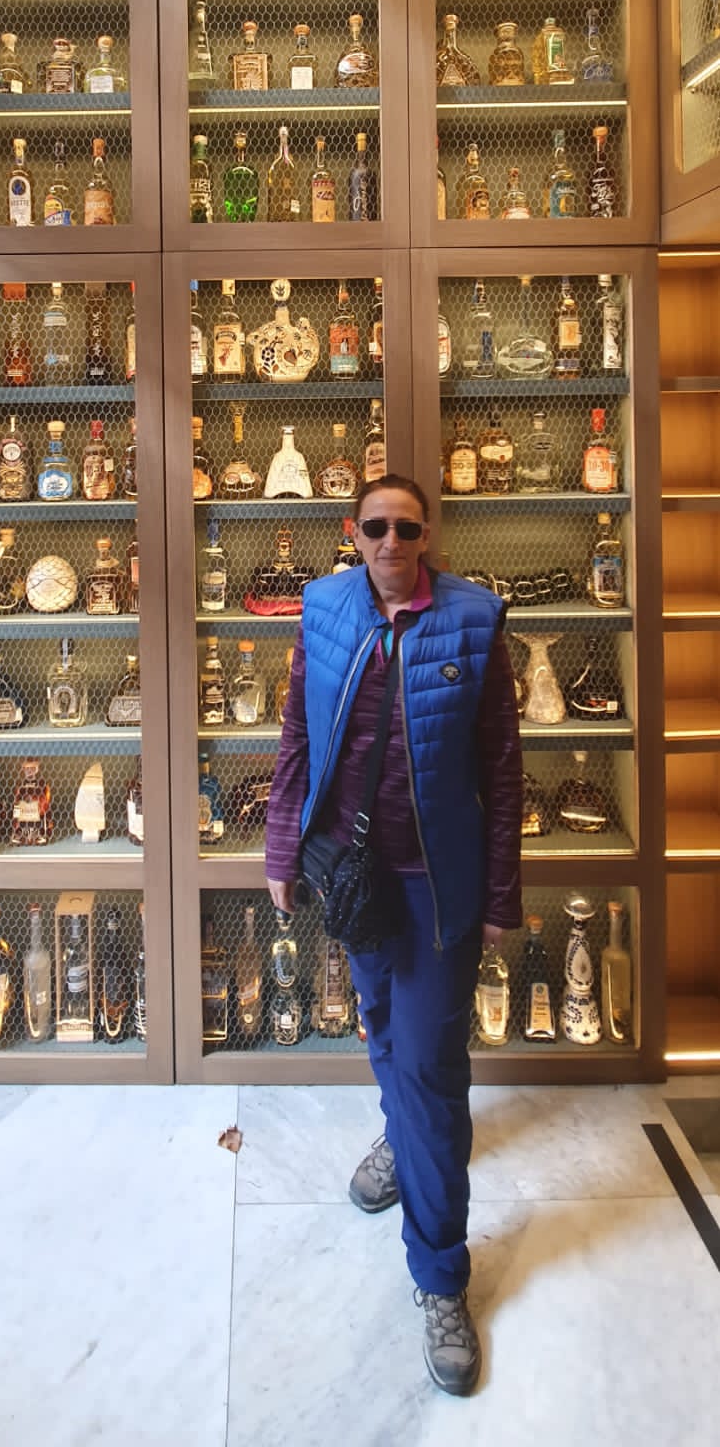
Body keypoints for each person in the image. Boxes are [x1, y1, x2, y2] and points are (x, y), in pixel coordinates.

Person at [265, 473, 522, 1397]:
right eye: (375, 527)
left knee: (430, 1067)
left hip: (436, 886)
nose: (390, 542)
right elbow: (297, 737)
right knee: (378, 1023)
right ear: (353, 531)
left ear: (427, 535)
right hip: (351, 872)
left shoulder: (474, 620)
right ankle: (399, 1136)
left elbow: (502, 768)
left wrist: (500, 895)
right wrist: (282, 848)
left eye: (406, 529)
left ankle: (441, 1276)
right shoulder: (324, 608)